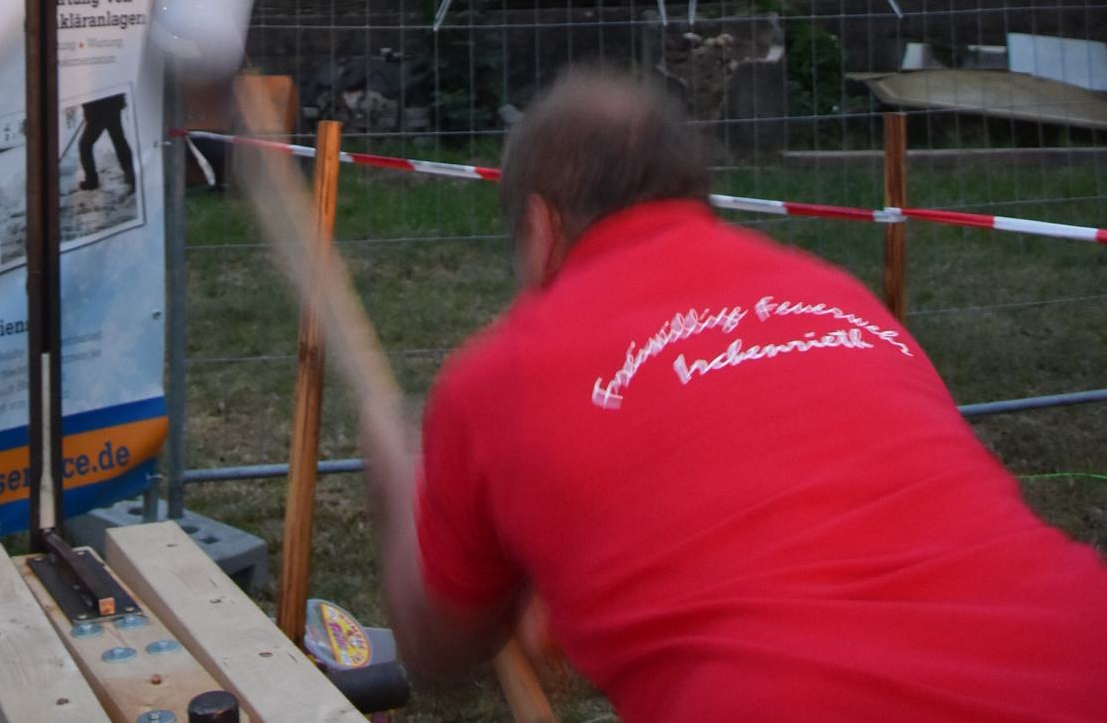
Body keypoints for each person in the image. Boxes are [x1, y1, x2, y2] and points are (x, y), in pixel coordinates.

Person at [364, 66, 1106, 723]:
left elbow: (440, 648)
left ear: (540, 226)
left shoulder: (500, 375)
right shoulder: (837, 297)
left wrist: (401, 486)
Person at [77, 93, 135, 193]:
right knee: (118, 139)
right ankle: (131, 175)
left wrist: (89, 111)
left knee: (85, 145)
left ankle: (91, 181)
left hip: (98, 109)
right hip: (113, 104)